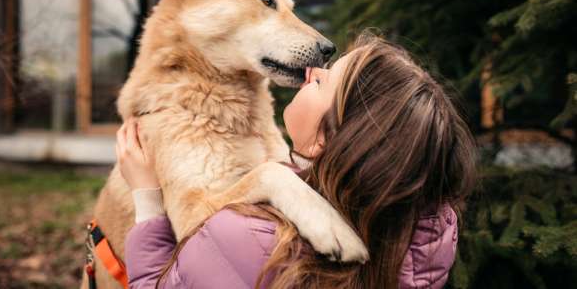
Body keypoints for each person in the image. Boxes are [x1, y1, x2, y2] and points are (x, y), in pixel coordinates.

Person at [116, 32, 477, 289]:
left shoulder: (248, 240)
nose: (313, 70)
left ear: (324, 139)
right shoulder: (423, 236)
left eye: (324, 82)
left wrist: (147, 200)